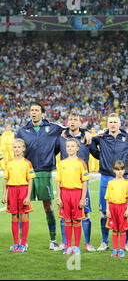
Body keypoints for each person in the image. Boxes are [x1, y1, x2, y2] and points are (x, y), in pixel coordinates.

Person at [17, 102, 91, 250]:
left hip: (45, 172)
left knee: (48, 206)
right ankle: (22, 241)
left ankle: (53, 240)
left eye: (37, 110)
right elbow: (17, 148)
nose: (34, 112)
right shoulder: (22, 131)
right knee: (23, 207)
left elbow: (72, 128)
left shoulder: (53, 128)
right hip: (27, 173)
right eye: (32, 110)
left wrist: (86, 131)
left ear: (42, 113)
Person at [92, 113, 128, 252]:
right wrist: (101, 156)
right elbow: (91, 144)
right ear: (107, 124)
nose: (113, 124)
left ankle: (126, 241)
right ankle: (105, 241)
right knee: (105, 212)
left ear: (120, 123)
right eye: (110, 122)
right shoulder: (102, 138)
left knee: (124, 212)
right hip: (106, 177)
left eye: (115, 122)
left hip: (123, 178)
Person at [58, 112, 99, 252]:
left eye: (75, 120)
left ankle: (87, 243)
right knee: (65, 215)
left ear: (80, 123)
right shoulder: (62, 137)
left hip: (81, 184)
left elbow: (98, 154)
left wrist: (87, 133)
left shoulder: (86, 138)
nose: (73, 122)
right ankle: (66, 243)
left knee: (85, 213)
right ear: (67, 121)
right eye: (70, 119)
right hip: (66, 186)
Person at [55, 138, 89, 256]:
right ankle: (69, 246)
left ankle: (77, 246)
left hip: (77, 194)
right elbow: (58, 182)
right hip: (65, 194)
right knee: (67, 220)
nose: (69, 148)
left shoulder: (81, 163)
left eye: (72, 146)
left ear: (77, 148)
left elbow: (84, 182)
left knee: (76, 220)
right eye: (68, 146)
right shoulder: (61, 163)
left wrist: (83, 198)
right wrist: (58, 197)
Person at [2, 138, 35, 252]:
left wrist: (28, 196)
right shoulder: (9, 163)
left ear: (23, 149)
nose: (16, 149)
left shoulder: (27, 163)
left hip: (23, 190)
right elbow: (5, 180)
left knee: (24, 216)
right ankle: (16, 243)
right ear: (12, 149)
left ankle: (23, 243)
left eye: (19, 147)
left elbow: (30, 181)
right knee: (14, 216)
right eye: (14, 147)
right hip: (12, 191)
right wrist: (4, 194)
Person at [105, 160, 128, 258]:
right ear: (114, 170)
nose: (119, 172)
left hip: (122, 207)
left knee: (122, 230)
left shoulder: (127, 183)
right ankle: (115, 249)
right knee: (114, 229)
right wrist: (107, 209)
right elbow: (107, 198)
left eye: (121, 170)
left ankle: (121, 249)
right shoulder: (110, 183)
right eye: (117, 170)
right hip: (112, 208)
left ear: (124, 170)